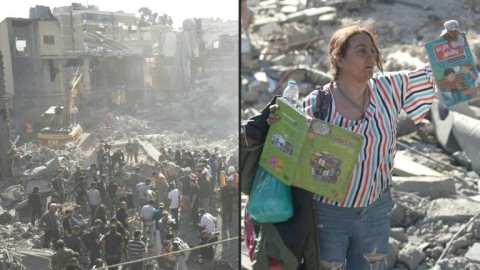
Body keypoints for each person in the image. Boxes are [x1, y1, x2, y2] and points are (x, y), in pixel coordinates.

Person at [250, 22, 460, 269]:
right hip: (329, 213)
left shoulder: (388, 89)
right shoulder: (319, 104)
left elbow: (435, 74)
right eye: (361, 51)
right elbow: (284, 141)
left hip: (376, 208)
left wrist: (451, 45)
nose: (370, 57)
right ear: (339, 59)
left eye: (373, 51)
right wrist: (274, 121)